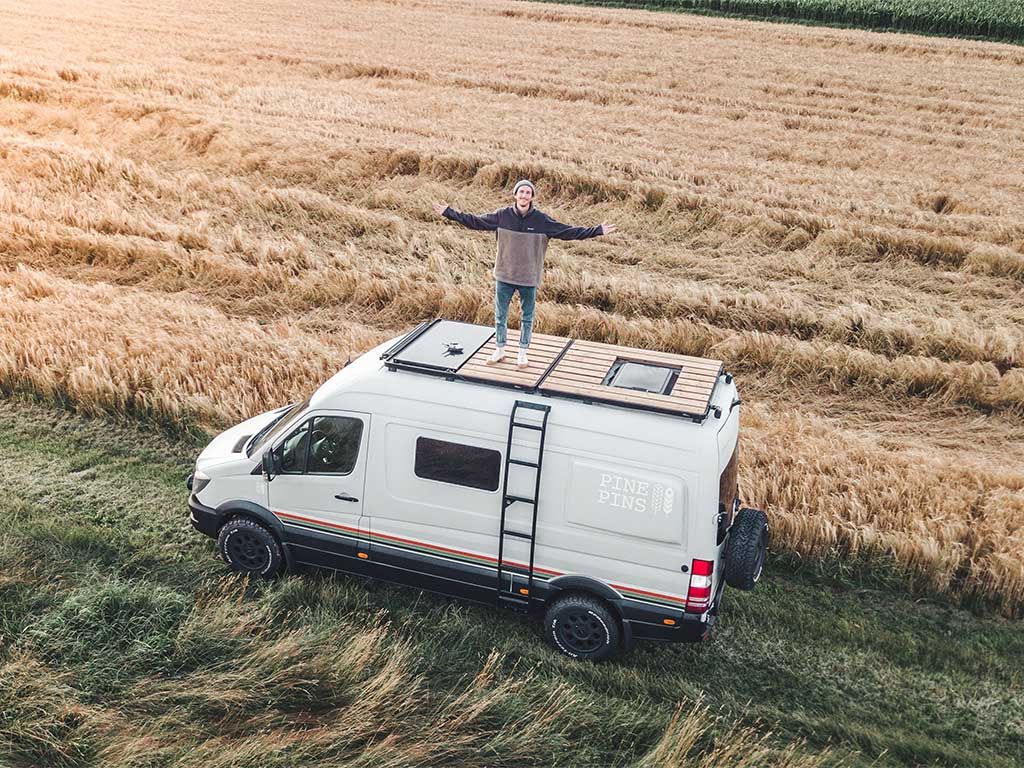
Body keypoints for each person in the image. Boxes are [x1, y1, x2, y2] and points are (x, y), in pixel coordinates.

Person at [432, 180, 616, 369]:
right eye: (521, 192)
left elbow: (569, 231)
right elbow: (474, 221)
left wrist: (597, 231)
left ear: (532, 197)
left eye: (528, 192)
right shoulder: (502, 216)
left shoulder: (541, 220)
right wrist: (449, 212)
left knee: (527, 317)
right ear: (515, 195)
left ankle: (522, 352)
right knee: (500, 315)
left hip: (529, 277)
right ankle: (500, 350)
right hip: (505, 274)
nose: (524, 195)